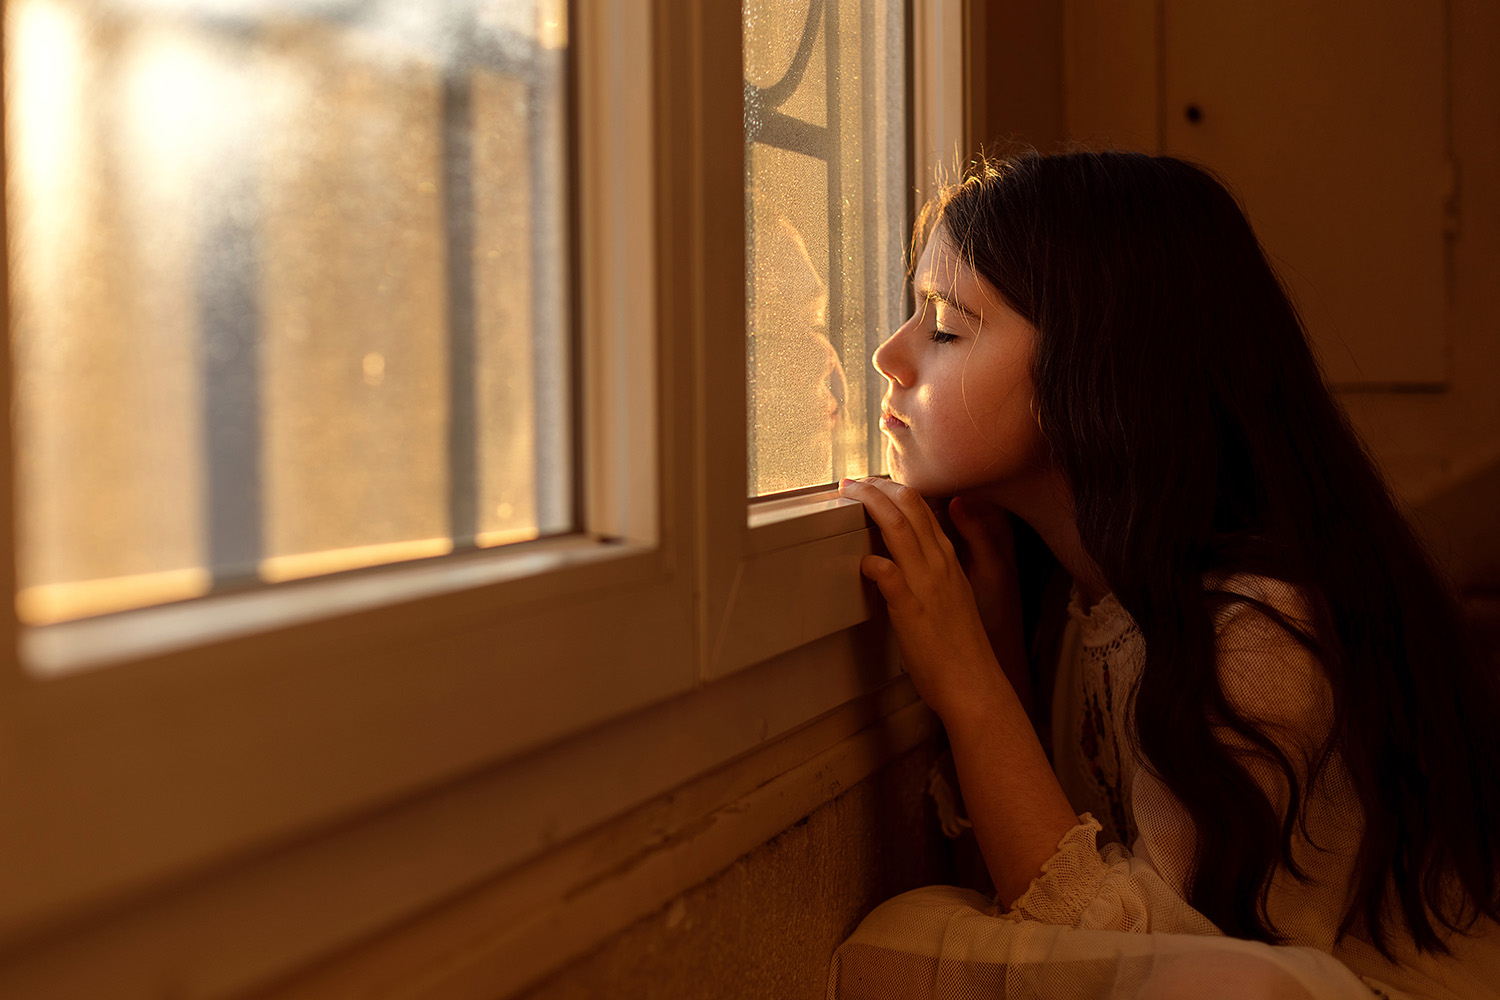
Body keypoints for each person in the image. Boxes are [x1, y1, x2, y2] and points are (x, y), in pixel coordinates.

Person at [830, 151, 1500, 999]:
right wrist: (996, 641)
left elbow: (1167, 970)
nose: (891, 355)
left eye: (946, 327)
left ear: (1100, 367)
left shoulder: (1259, 629)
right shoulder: (1083, 601)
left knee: (905, 945)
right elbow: (1032, 911)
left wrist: (968, 681)